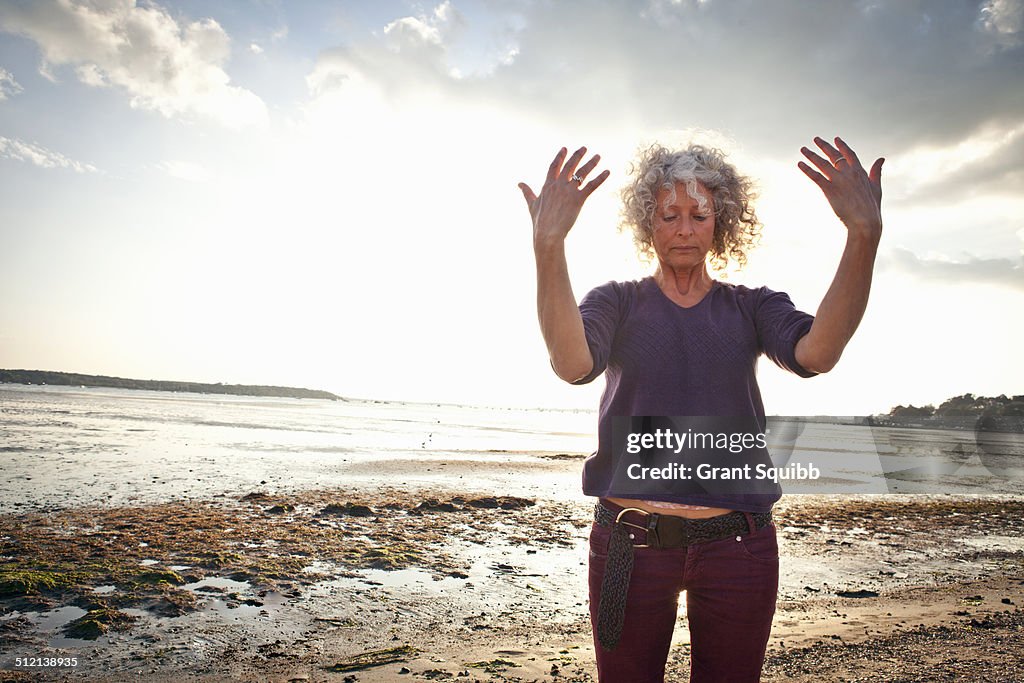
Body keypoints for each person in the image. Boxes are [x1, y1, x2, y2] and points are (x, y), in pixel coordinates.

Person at [517, 137, 883, 682]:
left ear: (721, 222)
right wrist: (549, 243)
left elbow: (818, 352)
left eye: (698, 214)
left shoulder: (753, 306)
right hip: (630, 540)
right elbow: (571, 364)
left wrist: (863, 234)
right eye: (669, 215)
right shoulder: (617, 301)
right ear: (649, 223)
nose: (684, 228)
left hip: (738, 543)